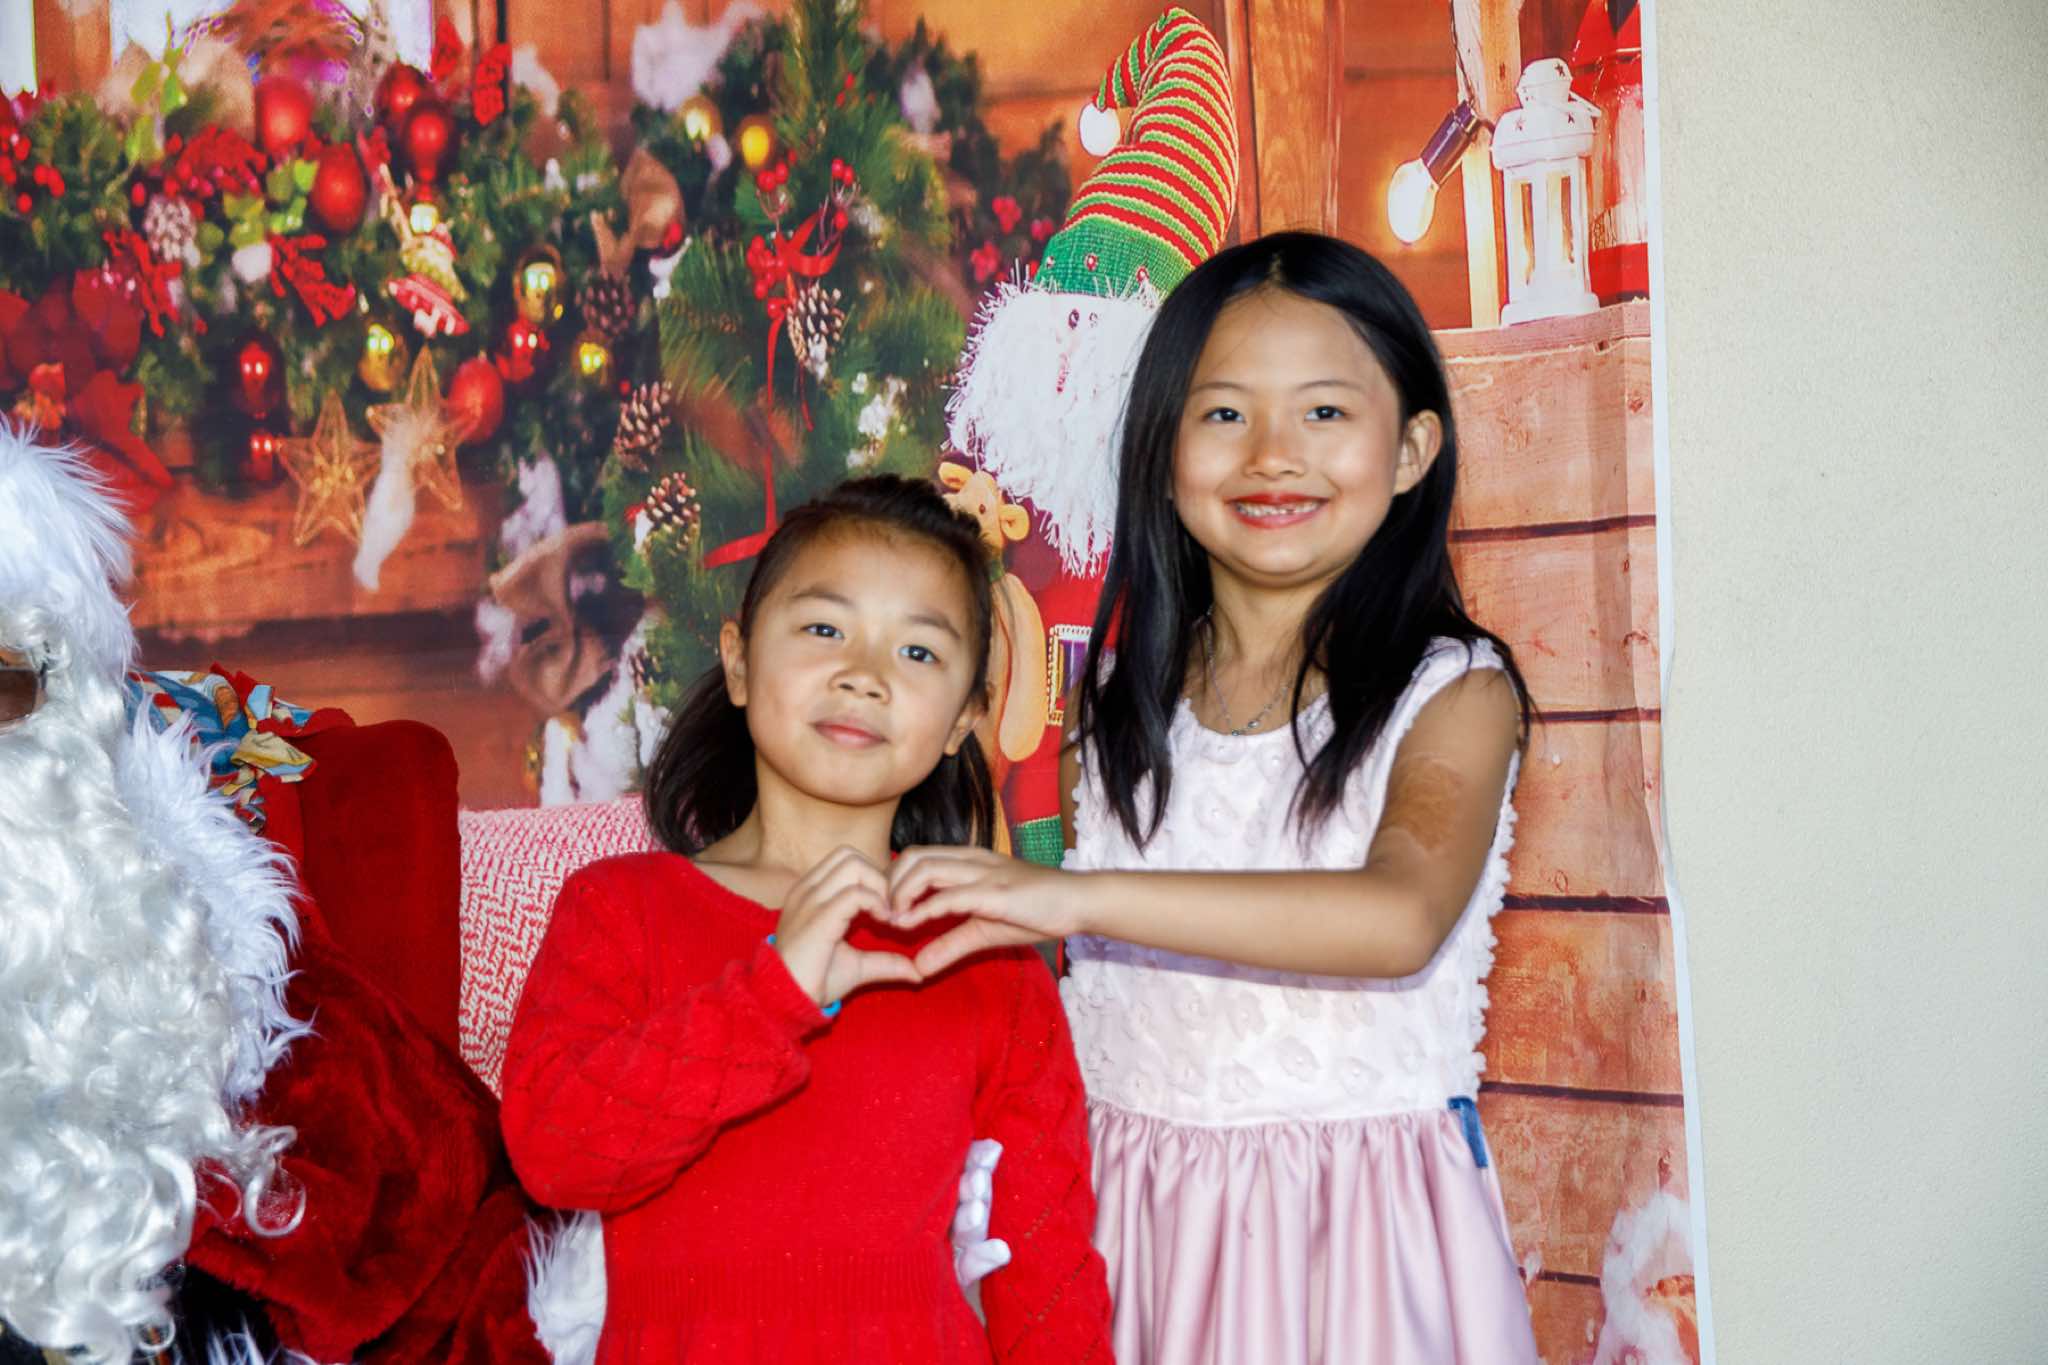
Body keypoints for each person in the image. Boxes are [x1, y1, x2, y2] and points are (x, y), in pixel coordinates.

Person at [889, 233, 1543, 1363]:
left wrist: (1077, 900)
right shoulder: (1111, 700)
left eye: (1324, 412)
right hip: (1126, 1228)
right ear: (1161, 450)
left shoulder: (1453, 692)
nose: (1272, 455)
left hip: (1345, 1246)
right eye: (1225, 413)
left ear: (1411, 448)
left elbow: (1397, 915)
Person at [498, 476, 1112, 1364]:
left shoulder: (986, 954)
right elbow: (555, 1152)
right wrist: (772, 992)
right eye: (825, 629)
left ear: (963, 720)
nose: (864, 674)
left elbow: (1049, 1283)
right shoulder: (620, 908)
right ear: (740, 661)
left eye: (918, 651)